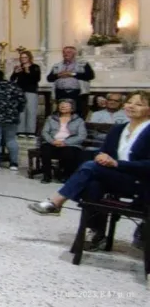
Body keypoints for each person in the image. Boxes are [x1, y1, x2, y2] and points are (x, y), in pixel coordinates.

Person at [29, 91, 150, 253]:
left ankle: (56, 202)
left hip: (140, 181)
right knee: (93, 183)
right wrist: (101, 156)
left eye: (139, 104)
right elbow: (104, 151)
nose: (131, 106)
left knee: (90, 167)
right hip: (116, 177)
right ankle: (96, 232)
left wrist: (116, 163)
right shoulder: (118, 129)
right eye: (129, 102)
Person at [39, 99, 87, 183]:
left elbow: (82, 136)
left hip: (69, 144)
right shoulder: (51, 118)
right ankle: (47, 175)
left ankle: (65, 175)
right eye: (61, 104)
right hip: (53, 142)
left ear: (72, 108)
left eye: (66, 105)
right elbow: (44, 132)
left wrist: (65, 143)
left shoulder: (79, 120)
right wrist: (52, 141)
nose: (63, 106)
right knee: (45, 149)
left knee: (69, 152)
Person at [46, 46, 95, 118]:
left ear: (74, 54)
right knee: (62, 114)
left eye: (68, 52)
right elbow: (49, 78)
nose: (65, 54)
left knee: (77, 114)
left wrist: (72, 74)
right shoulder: (57, 65)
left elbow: (90, 76)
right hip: (61, 93)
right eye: (64, 52)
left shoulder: (83, 64)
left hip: (77, 93)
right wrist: (58, 75)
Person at [10, 50, 41, 137]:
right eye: (21, 57)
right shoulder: (19, 67)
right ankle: (21, 131)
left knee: (31, 111)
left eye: (25, 57)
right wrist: (15, 73)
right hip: (20, 92)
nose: (23, 59)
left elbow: (36, 79)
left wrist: (28, 72)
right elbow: (12, 79)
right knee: (21, 112)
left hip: (31, 92)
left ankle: (30, 132)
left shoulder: (35, 67)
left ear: (29, 58)